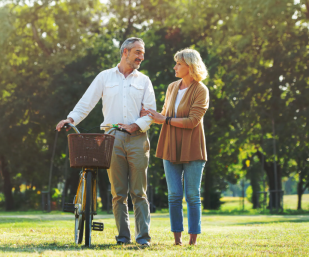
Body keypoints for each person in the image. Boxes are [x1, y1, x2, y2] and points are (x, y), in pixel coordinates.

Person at [56, 37, 156, 246]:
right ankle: (123, 238)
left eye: (143, 53)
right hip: (111, 138)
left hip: (137, 139)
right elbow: (87, 102)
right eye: (138, 52)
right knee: (118, 193)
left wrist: (135, 125)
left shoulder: (144, 81)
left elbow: (150, 113)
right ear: (125, 52)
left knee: (139, 192)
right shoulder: (105, 77)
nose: (141, 57)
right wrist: (71, 118)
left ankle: (143, 238)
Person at [141, 48, 209, 246]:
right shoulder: (172, 87)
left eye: (179, 64)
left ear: (190, 66)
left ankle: (193, 239)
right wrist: (151, 115)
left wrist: (166, 119)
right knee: (174, 195)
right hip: (169, 145)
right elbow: (164, 115)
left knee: (192, 195)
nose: (175, 67)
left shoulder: (201, 90)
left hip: (193, 148)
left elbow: (193, 121)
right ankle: (177, 240)